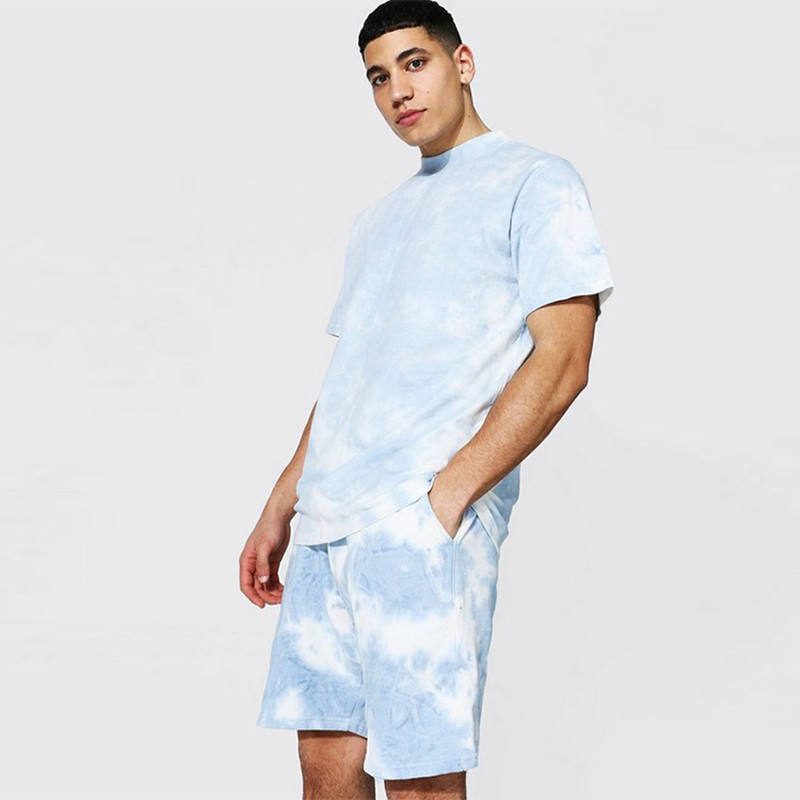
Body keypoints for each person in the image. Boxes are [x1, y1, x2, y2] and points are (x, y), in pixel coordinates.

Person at [239, 1, 615, 797]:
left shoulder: (534, 181)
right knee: (323, 776)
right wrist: (281, 505)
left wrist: (446, 498)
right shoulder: (376, 221)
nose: (399, 91)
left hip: (416, 527)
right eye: (379, 78)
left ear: (461, 62)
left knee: (419, 783)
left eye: (415, 63)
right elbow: (353, 377)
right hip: (326, 529)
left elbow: (565, 358)